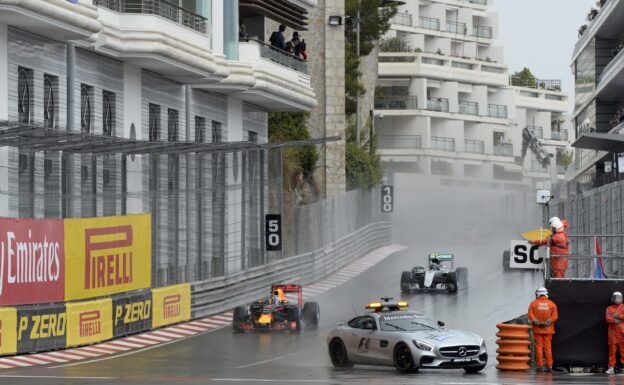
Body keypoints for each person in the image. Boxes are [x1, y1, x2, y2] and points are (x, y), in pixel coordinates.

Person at [528, 287, 558, 372]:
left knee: (539, 347)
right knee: (548, 348)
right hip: (548, 330)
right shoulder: (552, 304)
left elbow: (531, 315)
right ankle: (549, 366)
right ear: (546, 294)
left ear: (537, 294)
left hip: (537, 330)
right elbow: (555, 316)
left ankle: (539, 366)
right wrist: (548, 322)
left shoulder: (533, 304)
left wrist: (537, 322)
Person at [606, 291, 624, 374]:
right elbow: (607, 318)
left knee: (623, 351)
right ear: (613, 298)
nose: (617, 299)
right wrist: (617, 320)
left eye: (619, 298)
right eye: (616, 297)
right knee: (612, 352)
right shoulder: (609, 308)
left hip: (622, 333)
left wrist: (618, 316)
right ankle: (611, 367)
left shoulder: (623, 307)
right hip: (612, 334)